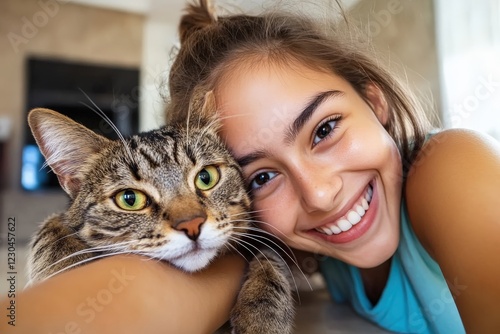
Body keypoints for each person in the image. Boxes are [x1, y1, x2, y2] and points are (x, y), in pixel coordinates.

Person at [165, 0, 500, 333]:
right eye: (262, 178)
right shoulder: (314, 254)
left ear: (374, 100)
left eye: (324, 130)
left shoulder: (451, 167)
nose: (320, 196)